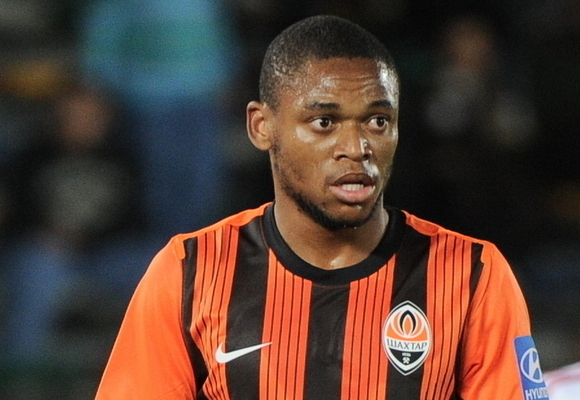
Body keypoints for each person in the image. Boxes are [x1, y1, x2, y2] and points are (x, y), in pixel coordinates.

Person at [94, 15, 549, 400]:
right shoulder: (190, 272)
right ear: (261, 127)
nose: (356, 147)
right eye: (324, 122)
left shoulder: (473, 274)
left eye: (378, 121)